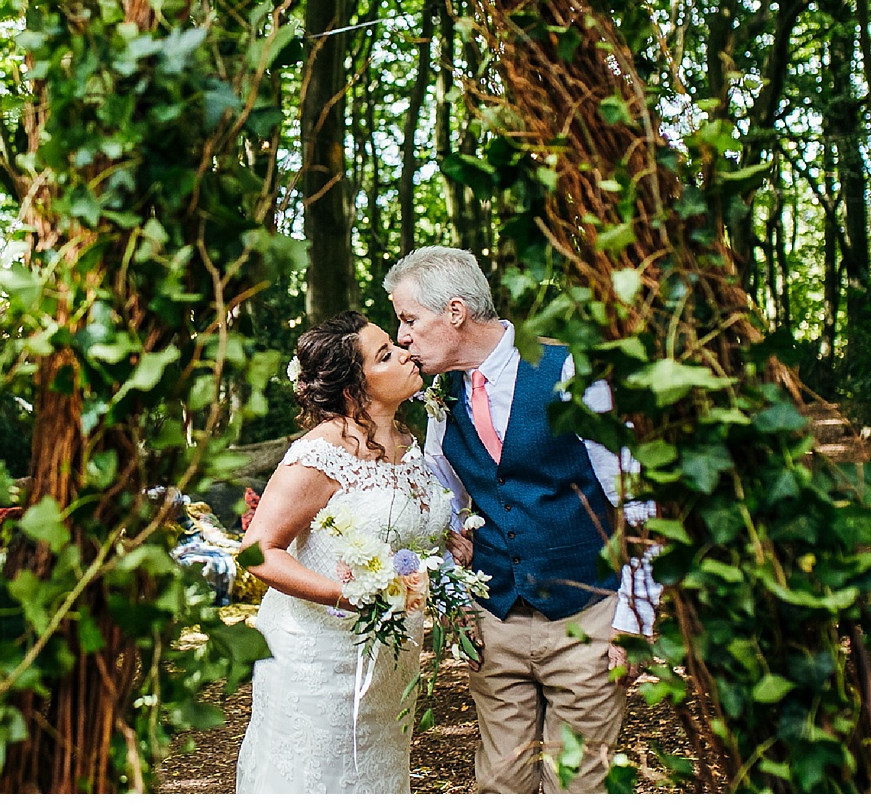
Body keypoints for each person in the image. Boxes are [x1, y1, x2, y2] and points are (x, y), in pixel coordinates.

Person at [383, 247, 652, 793]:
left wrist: (635, 620)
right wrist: (453, 598)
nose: (402, 336)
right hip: (495, 619)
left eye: (408, 319)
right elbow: (441, 504)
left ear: (455, 312)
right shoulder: (442, 394)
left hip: (588, 616)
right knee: (499, 782)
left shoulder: (569, 370)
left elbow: (637, 497)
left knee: (577, 784)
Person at [236, 311, 461, 792]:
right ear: (352, 389)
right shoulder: (321, 453)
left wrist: (449, 546)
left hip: (389, 665)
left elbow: (403, 537)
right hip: (316, 661)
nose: (405, 352)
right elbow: (255, 551)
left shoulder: (407, 442)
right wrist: (346, 596)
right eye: (385, 355)